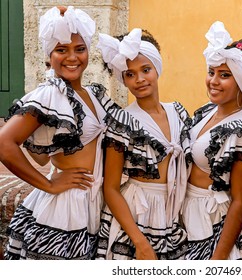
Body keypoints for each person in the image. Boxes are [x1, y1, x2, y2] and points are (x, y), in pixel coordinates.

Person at [0, 6, 120, 260]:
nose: (72, 57)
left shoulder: (93, 94)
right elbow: (4, 143)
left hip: (92, 202)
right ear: (48, 56)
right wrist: (48, 184)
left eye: (79, 49)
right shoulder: (50, 94)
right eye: (61, 50)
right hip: (65, 209)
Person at [95, 28, 191, 260]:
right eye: (129, 74)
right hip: (137, 214)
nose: (139, 79)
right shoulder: (122, 121)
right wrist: (140, 241)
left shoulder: (178, 112)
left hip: (171, 213)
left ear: (157, 68)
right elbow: (110, 188)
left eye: (145, 70)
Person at [180, 21, 242, 260]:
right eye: (211, 72)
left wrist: (218, 259)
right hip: (189, 215)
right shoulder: (208, 111)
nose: (213, 81)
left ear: (241, 81)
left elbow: (240, 201)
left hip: (216, 224)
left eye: (224, 75)